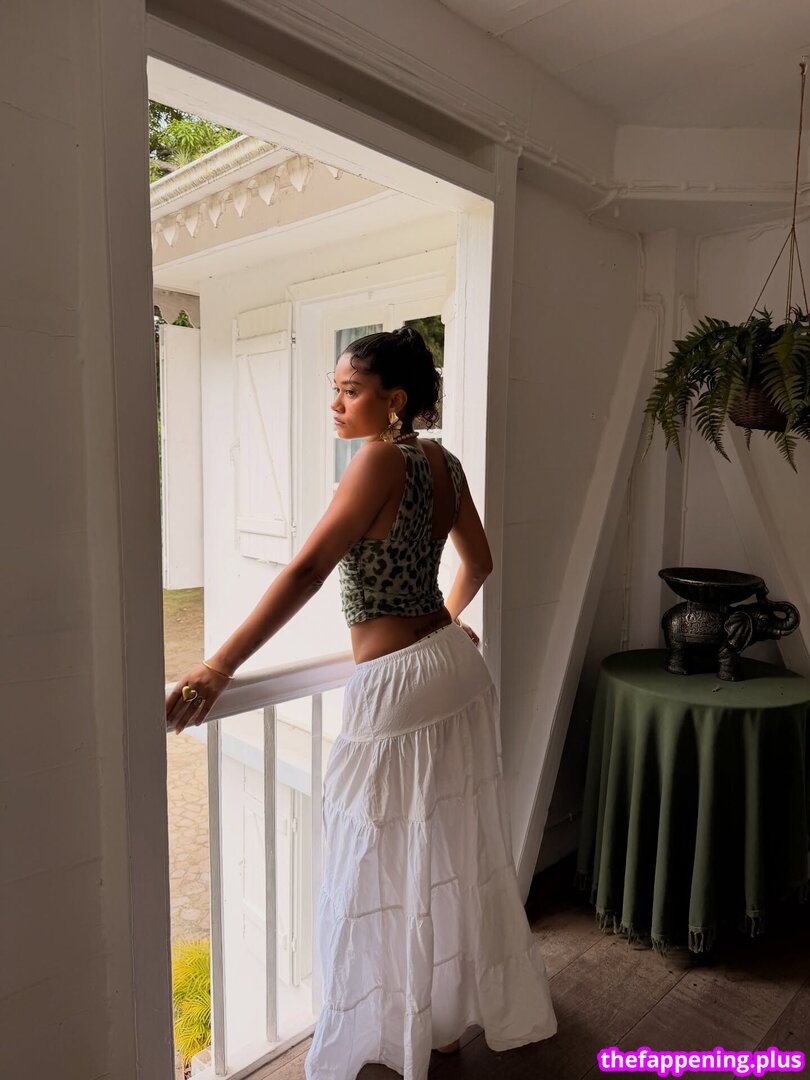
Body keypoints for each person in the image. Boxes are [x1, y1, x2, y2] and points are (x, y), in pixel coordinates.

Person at [166, 326, 557, 1080]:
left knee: (372, 861)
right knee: (446, 849)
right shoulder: (442, 461)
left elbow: (309, 569)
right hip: (452, 667)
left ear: (394, 400)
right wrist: (444, 620)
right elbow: (480, 562)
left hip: (399, 686)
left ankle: (388, 1032)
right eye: (336, 390)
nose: (336, 405)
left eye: (350, 391)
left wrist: (219, 665)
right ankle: (444, 1022)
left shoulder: (378, 460)